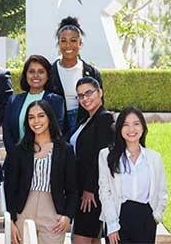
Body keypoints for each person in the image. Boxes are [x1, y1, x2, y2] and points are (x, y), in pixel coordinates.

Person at [5, 100, 78, 244]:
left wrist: (68, 216)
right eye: (31, 117)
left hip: (52, 210)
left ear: (49, 118)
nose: (36, 121)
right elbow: (11, 187)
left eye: (41, 116)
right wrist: (11, 220)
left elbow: (73, 188)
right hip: (23, 209)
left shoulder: (65, 150)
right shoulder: (20, 150)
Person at [98, 107, 168, 244]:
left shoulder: (154, 158)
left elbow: (162, 190)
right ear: (119, 129)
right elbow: (105, 192)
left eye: (136, 124)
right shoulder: (106, 155)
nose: (131, 130)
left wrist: (156, 216)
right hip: (119, 217)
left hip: (145, 219)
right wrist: (112, 225)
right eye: (126, 125)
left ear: (143, 128)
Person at [70, 77, 114, 244]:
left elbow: (101, 157)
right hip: (81, 189)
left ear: (100, 92)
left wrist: (90, 189)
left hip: (91, 193)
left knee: (81, 237)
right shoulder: (85, 120)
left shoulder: (104, 118)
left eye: (89, 93)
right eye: (80, 96)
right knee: (92, 238)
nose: (85, 98)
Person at [50, 16, 102, 138]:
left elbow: (99, 103)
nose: (68, 45)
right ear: (58, 44)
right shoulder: (50, 72)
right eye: (63, 41)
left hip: (85, 123)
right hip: (58, 126)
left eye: (73, 40)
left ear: (80, 44)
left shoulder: (91, 72)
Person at [2, 55, 65, 155]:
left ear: (48, 75)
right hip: (15, 159)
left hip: (45, 158)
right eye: (31, 71)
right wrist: (15, 157)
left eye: (41, 72)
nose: (36, 75)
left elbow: (56, 132)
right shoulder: (13, 100)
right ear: (26, 74)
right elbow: (7, 131)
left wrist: (39, 155)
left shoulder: (56, 100)